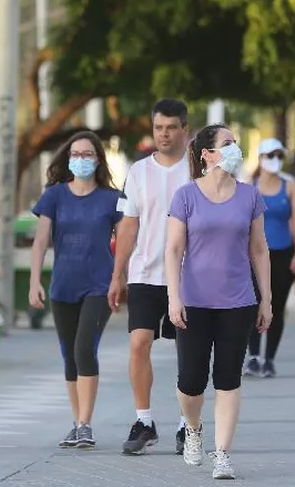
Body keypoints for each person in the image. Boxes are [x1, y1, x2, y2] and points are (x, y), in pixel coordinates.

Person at [164, 123, 271, 479]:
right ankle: (193, 430)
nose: (234, 149)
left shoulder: (249, 196)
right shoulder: (186, 196)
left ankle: (222, 453)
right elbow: (174, 249)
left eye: (235, 143)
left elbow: (259, 249)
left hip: (238, 301)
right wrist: (173, 297)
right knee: (191, 381)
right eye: (227, 144)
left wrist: (266, 299)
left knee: (228, 378)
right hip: (194, 301)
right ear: (207, 154)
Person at [110, 99, 192, 455]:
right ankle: (144, 421)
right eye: (159, 127)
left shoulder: (199, 169)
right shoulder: (139, 170)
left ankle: (187, 424)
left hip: (190, 275)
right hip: (145, 273)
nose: (164, 134)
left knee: (188, 351)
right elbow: (128, 225)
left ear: (184, 129)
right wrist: (118, 275)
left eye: (171, 127)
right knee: (139, 342)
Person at [29, 131, 121, 449]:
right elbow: (41, 241)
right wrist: (34, 281)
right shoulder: (54, 196)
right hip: (62, 285)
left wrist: (120, 279)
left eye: (87, 154)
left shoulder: (112, 198)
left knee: (85, 349)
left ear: (98, 159)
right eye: (76, 154)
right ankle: (76, 421)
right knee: (69, 356)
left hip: (99, 285)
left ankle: (85, 423)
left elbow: (125, 242)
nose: (81, 159)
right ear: (68, 159)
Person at [245, 138, 295, 377]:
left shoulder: (290, 186)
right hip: (252, 255)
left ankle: (268, 358)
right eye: (270, 155)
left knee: (276, 306)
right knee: (253, 305)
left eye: (279, 156)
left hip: (282, 254)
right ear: (260, 158)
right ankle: (252, 356)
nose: (275, 160)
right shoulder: (249, 187)